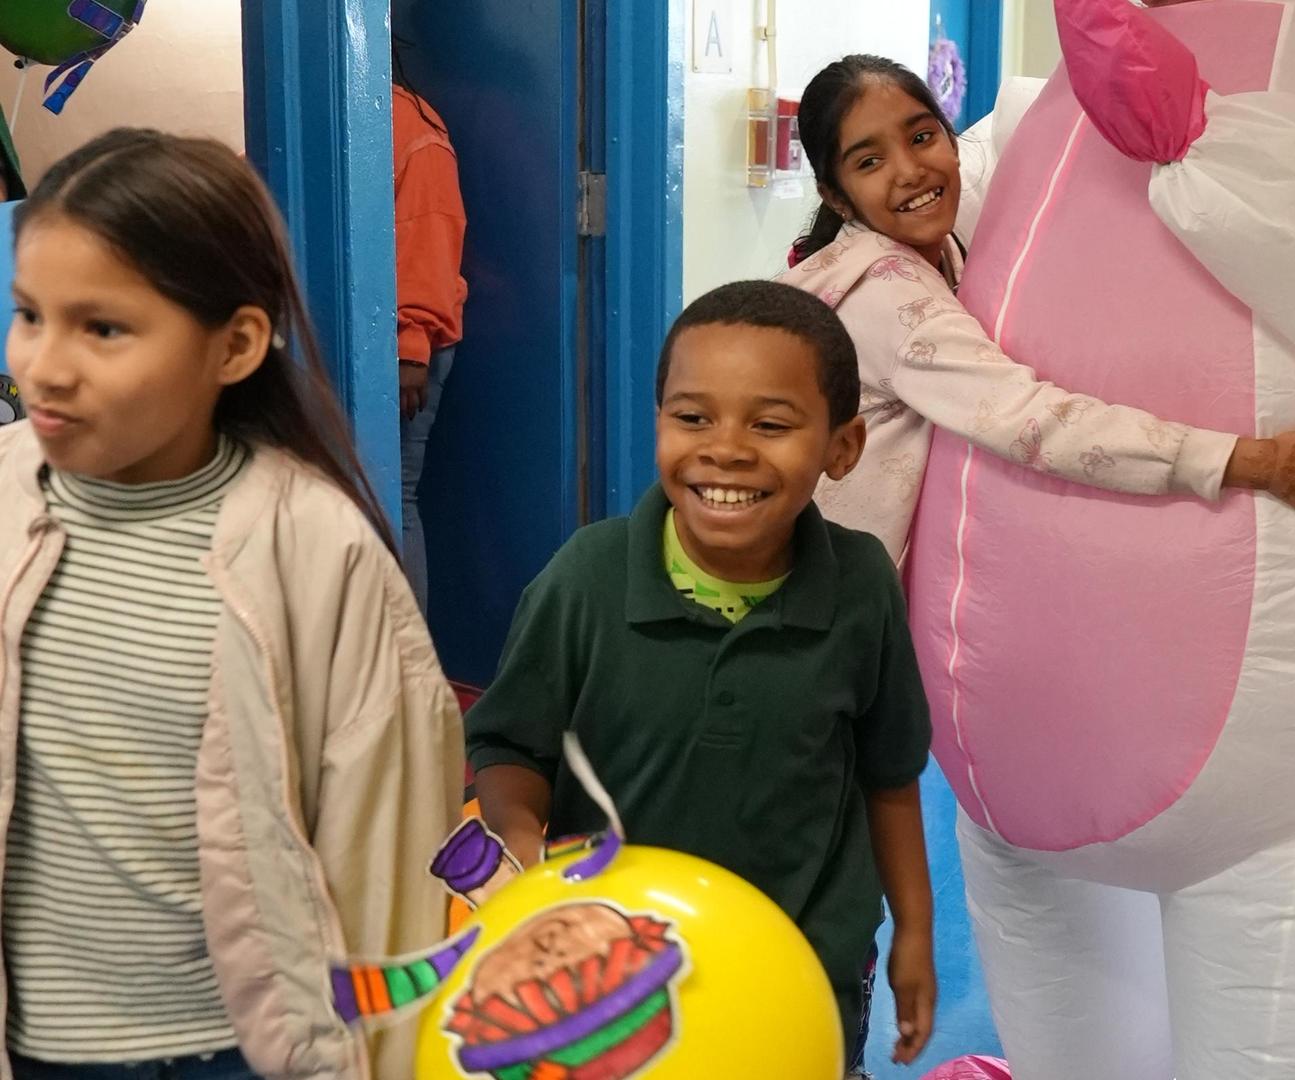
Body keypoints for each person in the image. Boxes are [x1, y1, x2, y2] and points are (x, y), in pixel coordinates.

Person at [0, 129, 464, 1078]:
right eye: (29, 315)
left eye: (103, 328)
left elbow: (390, 857)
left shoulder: (316, 549)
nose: (43, 365)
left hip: (230, 1053)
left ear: (236, 344)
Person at [464, 281, 938, 1074]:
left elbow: (889, 777)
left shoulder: (859, 588)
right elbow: (513, 748)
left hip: (805, 968)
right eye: (693, 417)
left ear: (843, 446)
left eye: (772, 424)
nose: (726, 448)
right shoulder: (586, 579)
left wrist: (915, 932)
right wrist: (518, 834)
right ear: (659, 424)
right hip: (609, 980)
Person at [780, 55, 1295, 564]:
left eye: (922, 137)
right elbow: (1027, 419)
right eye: (870, 161)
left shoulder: (948, 250)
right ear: (835, 193)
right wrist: (1251, 461)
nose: (911, 171)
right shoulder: (885, 292)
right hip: (820, 601)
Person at [392, 50, 468, 611]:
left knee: (392, 498)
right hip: (350, 335)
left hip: (404, 350)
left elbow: (430, 241)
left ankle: (407, 668)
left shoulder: (414, 130)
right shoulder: (319, 118)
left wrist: (410, 348)